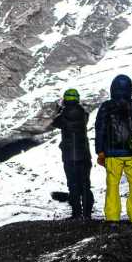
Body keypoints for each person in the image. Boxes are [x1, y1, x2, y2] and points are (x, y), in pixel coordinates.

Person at [94, 75, 132, 223]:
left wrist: (100, 151)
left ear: (113, 89)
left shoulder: (106, 106)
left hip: (112, 154)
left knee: (112, 186)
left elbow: (100, 129)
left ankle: (112, 218)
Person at [52, 88, 93, 219]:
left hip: (69, 156)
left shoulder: (62, 116)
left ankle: (76, 213)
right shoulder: (84, 114)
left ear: (65, 99)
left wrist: (60, 109)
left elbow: (54, 123)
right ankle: (87, 214)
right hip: (84, 155)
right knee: (85, 184)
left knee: (73, 184)